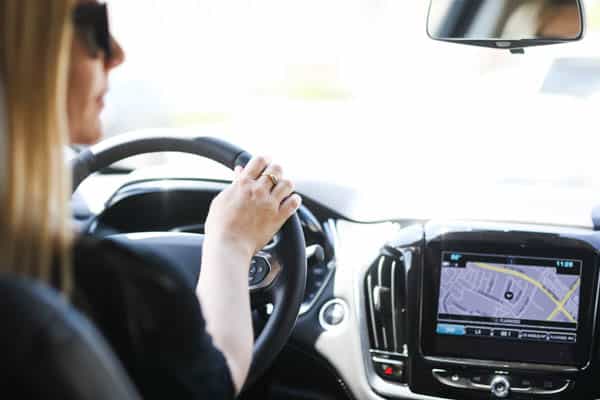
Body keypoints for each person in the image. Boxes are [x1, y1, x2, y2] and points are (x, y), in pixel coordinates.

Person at [0, 0, 301, 398]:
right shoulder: (112, 290)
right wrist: (231, 244)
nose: (117, 54)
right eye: (95, 27)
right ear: (28, 47)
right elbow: (215, 383)